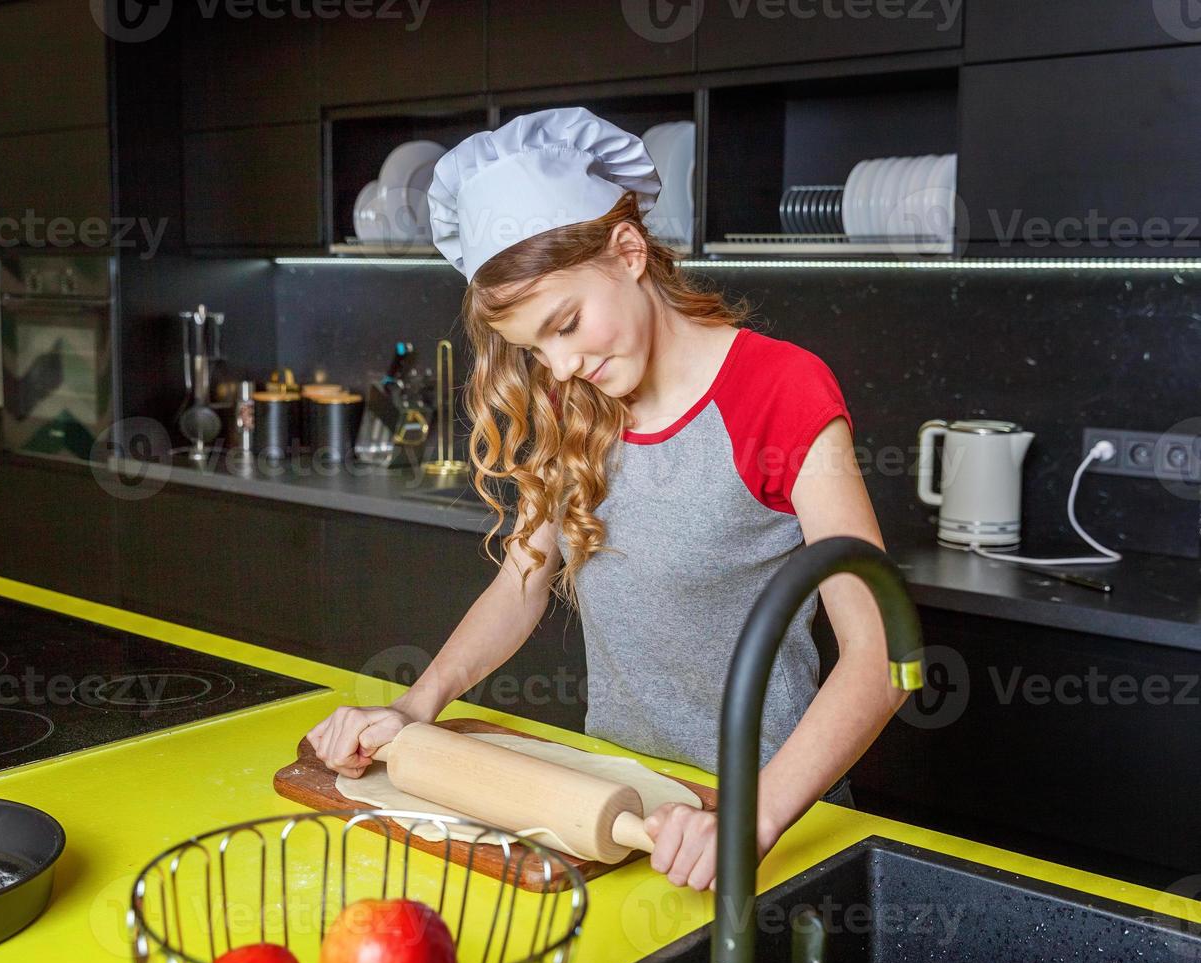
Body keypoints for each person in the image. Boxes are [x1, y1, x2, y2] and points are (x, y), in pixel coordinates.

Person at [307, 106, 909, 892]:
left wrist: (752, 817)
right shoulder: (573, 405)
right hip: (616, 813)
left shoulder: (778, 390)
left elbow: (883, 657)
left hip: (766, 818)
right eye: (534, 349)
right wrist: (418, 707)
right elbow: (520, 583)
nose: (557, 367)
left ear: (628, 252)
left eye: (567, 324)